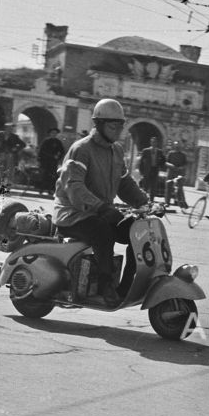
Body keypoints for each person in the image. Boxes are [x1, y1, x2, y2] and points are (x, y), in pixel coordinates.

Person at [53, 98, 149, 305]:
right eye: (113, 126)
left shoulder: (116, 151)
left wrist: (144, 202)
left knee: (137, 229)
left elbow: (124, 183)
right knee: (102, 231)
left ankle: (127, 284)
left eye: (120, 126)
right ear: (98, 124)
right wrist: (101, 207)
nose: (118, 131)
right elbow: (74, 187)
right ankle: (106, 284)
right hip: (73, 215)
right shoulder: (82, 149)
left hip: (101, 212)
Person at [0, 122, 26, 192]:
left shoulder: (14, 136)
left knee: (10, 171)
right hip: (1, 155)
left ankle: (8, 187)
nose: (10, 129)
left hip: (10, 155)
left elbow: (23, 144)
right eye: (9, 128)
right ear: (5, 128)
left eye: (11, 128)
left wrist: (16, 148)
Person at [138, 136, 167, 203]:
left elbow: (164, 160)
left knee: (153, 186)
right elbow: (141, 161)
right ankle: (144, 200)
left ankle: (151, 200)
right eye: (153, 142)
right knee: (145, 186)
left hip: (155, 170)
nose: (154, 143)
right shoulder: (146, 151)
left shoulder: (160, 152)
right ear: (150, 142)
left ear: (157, 143)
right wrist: (141, 171)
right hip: (147, 170)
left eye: (155, 142)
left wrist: (160, 165)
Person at [37, 128, 66, 194]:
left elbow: (62, 151)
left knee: (52, 176)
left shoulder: (58, 142)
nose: (54, 134)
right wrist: (39, 160)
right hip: (45, 161)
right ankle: (41, 189)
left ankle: (50, 190)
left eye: (55, 133)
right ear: (50, 133)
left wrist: (58, 157)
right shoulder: (46, 141)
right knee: (44, 175)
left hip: (53, 162)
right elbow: (41, 151)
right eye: (53, 133)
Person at [164, 140, 189, 209]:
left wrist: (182, 167)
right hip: (171, 172)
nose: (177, 147)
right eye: (176, 146)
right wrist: (171, 165)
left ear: (180, 147)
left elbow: (186, 164)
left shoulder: (183, 155)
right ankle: (167, 202)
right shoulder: (170, 153)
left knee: (180, 189)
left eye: (178, 146)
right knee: (168, 187)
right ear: (174, 146)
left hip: (179, 173)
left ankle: (183, 203)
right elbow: (166, 162)